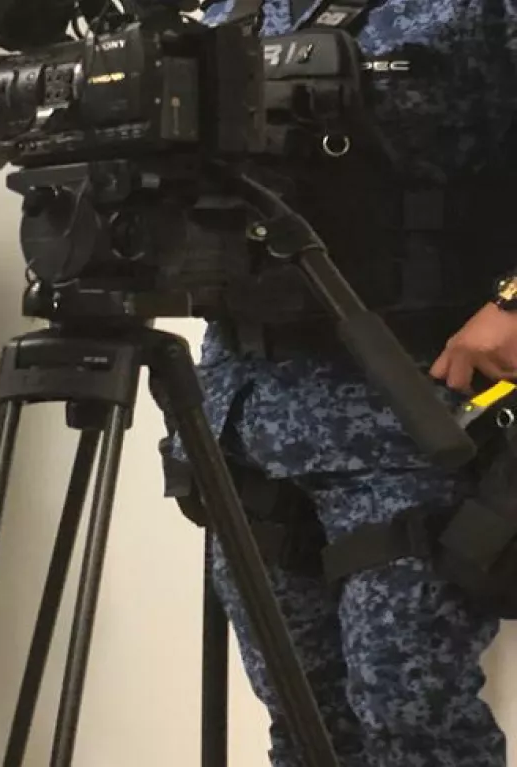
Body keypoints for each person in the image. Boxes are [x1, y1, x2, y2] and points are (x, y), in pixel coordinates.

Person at [159, 2, 517, 765]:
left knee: (410, 715)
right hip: (247, 412)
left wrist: (515, 301)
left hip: (411, 415)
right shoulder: (227, 14)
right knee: (302, 718)